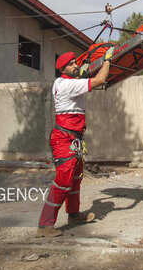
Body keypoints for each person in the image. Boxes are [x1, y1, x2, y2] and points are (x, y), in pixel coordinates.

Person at [36, 48, 113, 237]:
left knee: (76, 179)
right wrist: (108, 61)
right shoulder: (66, 85)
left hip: (74, 138)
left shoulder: (68, 82)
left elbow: (84, 79)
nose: (75, 65)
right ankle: (44, 226)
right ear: (63, 69)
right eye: (71, 64)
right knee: (63, 181)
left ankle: (73, 214)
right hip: (64, 138)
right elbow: (100, 80)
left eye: (75, 62)